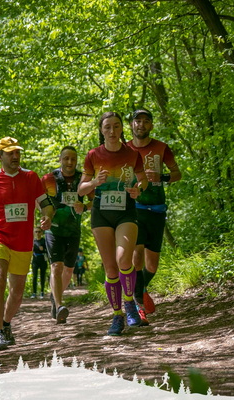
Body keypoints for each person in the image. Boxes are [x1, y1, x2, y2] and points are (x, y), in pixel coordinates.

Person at [0, 137, 54, 351]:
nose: (15, 156)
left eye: (17, 152)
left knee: (17, 292)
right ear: (0, 156)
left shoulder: (31, 177)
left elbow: (46, 203)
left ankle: (6, 324)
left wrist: (47, 216)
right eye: (10, 153)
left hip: (23, 242)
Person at [77, 111, 148, 336]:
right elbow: (81, 189)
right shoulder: (93, 155)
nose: (112, 131)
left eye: (116, 126)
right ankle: (117, 315)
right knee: (110, 268)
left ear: (122, 128)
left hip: (126, 211)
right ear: (101, 130)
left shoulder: (132, 153)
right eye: (107, 127)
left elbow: (143, 179)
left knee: (124, 259)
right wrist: (94, 182)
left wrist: (138, 189)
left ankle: (129, 304)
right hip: (101, 213)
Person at [127, 108, 181, 326]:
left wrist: (162, 176)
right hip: (135, 208)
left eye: (146, 121)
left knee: (152, 266)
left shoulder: (161, 148)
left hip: (157, 209)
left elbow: (177, 174)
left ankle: (138, 289)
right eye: (137, 121)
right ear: (131, 124)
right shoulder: (124, 150)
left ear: (151, 125)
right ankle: (138, 306)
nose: (141, 124)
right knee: (137, 257)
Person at [41, 146, 93, 324]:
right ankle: (59, 305)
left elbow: (95, 200)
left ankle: (55, 297)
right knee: (56, 266)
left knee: (69, 270)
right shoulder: (48, 179)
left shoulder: (83, 178)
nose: (70, 162)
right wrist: (45, 217)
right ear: (60, 159)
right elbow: (39, 201)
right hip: (53, 230)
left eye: (73, 159)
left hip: (73, 230)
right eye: (66, 158)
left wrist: (84, 207)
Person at [30, 227, 48, 299]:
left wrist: (44, 249)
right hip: (35, 260)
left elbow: (48, 250)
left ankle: (42, 292)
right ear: (34, 233)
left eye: (39, 231)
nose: (37, 233)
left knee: (42, 276)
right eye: (36, 232)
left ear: (41, 233)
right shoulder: (33, 241)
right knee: (34, 276)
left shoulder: (44, 241)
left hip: (43, 260)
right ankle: (34, 293)